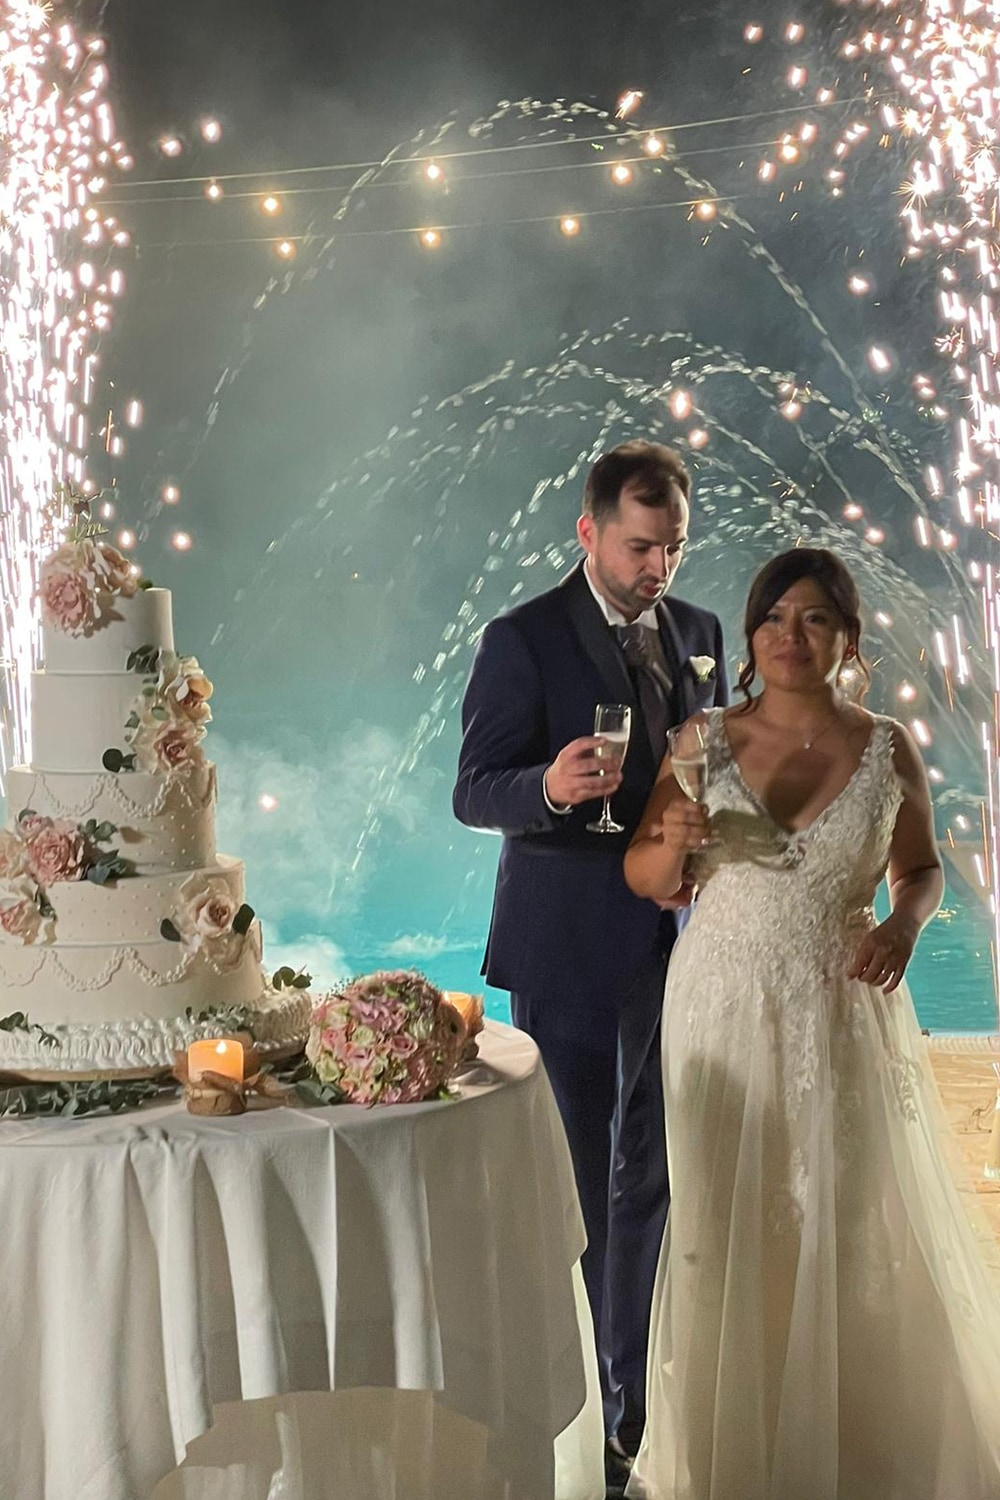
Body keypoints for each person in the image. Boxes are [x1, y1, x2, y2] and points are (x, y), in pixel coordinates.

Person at [623, 546, 1000, 1500]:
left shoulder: (887, 747)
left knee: (842, 1211)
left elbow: (921, 870)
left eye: (816, 619)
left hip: (840, 1006)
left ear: (848, 640)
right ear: (751, 637)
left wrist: (904, 927)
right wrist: (673, 840)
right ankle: (732, 1454)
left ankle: (852, 1447)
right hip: (720, 1005)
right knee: (721, 1222)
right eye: (774, 618)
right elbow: (647, 876)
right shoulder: (703, 739)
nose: (791, 636)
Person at [453, 441, 727, 1487]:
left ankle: (635, 1404)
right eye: (640, 546)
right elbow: (473, 788)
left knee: (654, 1174)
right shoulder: (520, 638)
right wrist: (548, 788)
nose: (659, 567)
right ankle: (569, 1410)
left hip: (678, 945)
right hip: (565, 944)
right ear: (588, 532)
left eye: (673, 547)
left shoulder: (700, 634)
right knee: (574, 1181)